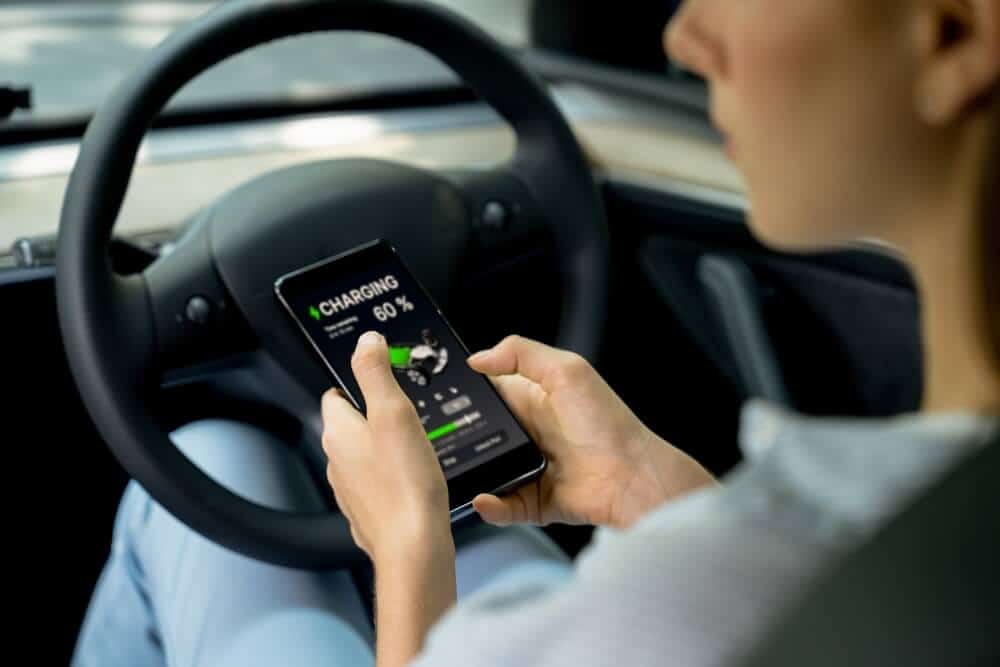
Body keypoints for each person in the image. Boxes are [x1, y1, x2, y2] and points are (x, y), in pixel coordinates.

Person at [72, 0, 1000, 665]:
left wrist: (406, 546)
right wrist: (648, 486)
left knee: (212, 464)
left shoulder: (688, 594)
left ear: (958, 33)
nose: (683, 33)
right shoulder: (906, 524)